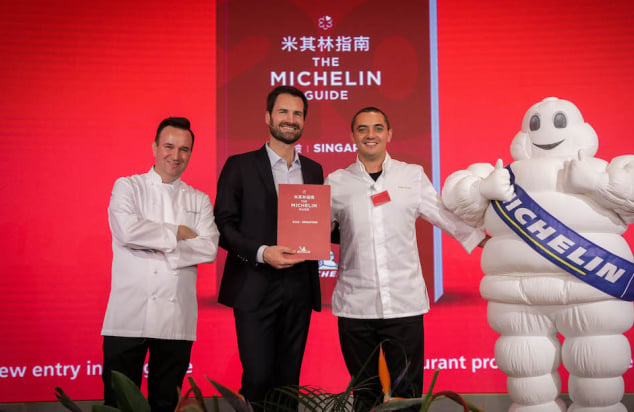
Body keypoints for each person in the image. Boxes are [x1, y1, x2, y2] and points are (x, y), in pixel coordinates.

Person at [325, 107, 485, 411]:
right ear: (352, 136)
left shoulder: (411, 175)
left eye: (377, 128)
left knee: (408, 396)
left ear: (389, 134)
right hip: (355, 306)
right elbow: (317, 230)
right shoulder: (336, 182)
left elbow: (441, 214)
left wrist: (479, 239)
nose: (370, 135)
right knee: (364, 394)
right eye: (362, 129)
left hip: (404, 302)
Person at [214, 86, 324, 410]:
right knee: (258, 379)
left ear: (304, 121)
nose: (290, 120)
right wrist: (263, 252)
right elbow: (223, 226)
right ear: (268, 117)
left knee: (289, 383)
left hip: (299, 289)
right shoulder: (239, 165)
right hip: (254, 286)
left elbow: (318, 223)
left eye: (297, 114)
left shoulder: (314, 170)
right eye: (283, 112)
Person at [101, 117, 219, 411]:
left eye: (184, 149)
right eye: (168, 146)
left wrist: (152, 239)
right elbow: (127, 230)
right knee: (118, 402)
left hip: (174, 317)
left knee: (167, 403)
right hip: (128, 315)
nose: (175, 156)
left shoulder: (199, 199)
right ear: (155, 147)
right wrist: (177, 233)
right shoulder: (128, 186)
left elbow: (209, 247)